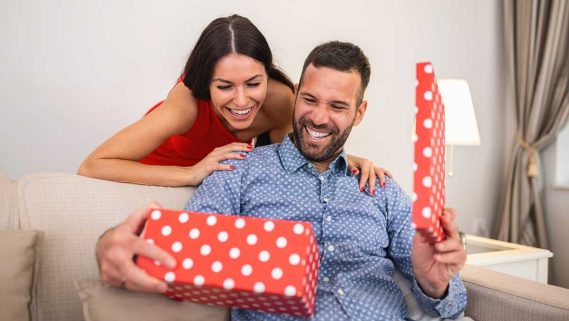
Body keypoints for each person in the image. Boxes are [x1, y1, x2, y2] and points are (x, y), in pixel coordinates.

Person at [96, 41, 467, 321]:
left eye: (337, 106)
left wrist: (436, 284)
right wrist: (112, 245)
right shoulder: (238, 170)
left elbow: (450, 298)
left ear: (359, 113)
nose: (318, 117)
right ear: (294, 99)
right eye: (309, 99)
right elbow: (183, 249)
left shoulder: (381, 189)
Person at [78, 14, 390, 192]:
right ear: (206, 82)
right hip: (148, 179)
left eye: (253, 83)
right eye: (224, 86)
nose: (242, 100)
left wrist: (346, 159)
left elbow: (292, 160)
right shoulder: (186, 102)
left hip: (213, 189)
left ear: (267, 74)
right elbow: (92, 166)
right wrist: (191, 173)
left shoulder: (283, 100)